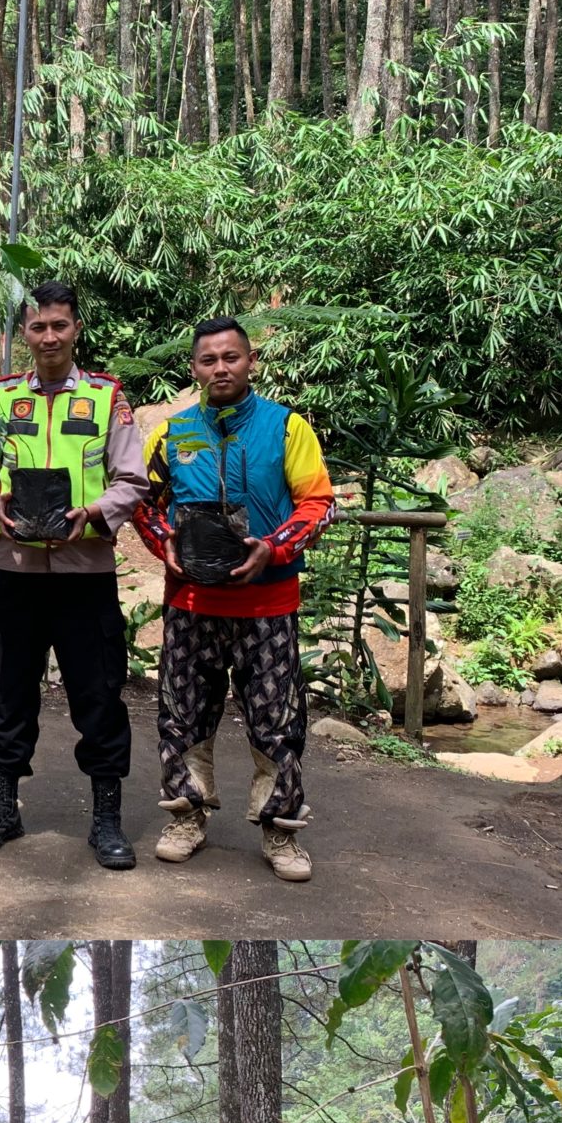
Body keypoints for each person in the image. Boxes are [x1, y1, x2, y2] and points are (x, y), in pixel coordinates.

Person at [132, 316, 336, 883]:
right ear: (194, 368)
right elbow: (142, 503)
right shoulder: (172, 434)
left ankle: (281, 830)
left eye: (230, 358)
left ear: (251, 362)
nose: (220, 368)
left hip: (266, 605)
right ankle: (186, 817)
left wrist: (273, 547)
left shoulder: (286, 428)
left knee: (277, 720)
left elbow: (317, 503)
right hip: (191, 602)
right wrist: (161, 544)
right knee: (183, 715)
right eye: (208, 360)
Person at [0, 280, 149, 871]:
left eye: (58, 326)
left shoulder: (106, 398)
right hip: (16, 569)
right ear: (24, 333)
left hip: (84, 571)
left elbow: (132, 482)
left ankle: (107, 820)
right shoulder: (4, 397)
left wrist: (92, 514)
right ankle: (3, 808)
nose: (48, 337)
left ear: (75, 330)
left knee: (98, 694)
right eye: (37, 327)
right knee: (11, 691)